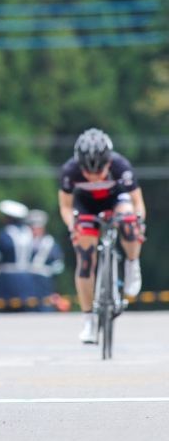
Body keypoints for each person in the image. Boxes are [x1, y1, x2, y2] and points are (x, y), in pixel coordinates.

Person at [58, 128, 145, 343]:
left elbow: (137, 202)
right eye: (88, 172)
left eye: (100, 171)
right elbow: (65, 207)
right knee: (85, 256)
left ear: (108, 163)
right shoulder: (69, 170)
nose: (95, 177)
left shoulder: (121, 166)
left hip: (116, 200)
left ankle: (132, 264)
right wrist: (72, 226)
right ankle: (88, 318)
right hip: (86, 205)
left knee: (128, 224)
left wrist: (139, 220)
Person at [0, 200, 34, 311]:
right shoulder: (28, 233)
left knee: (4, 310)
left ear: (9, 218)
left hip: (7, 278)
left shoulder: (4, 234)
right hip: (26, 277)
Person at [25, 209, 65, 311]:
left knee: (44, 309)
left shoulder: (50, 243)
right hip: (26, 281)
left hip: (44, 283)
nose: (35, 231)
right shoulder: (24, 243)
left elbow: (58, 267)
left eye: (37, 228)